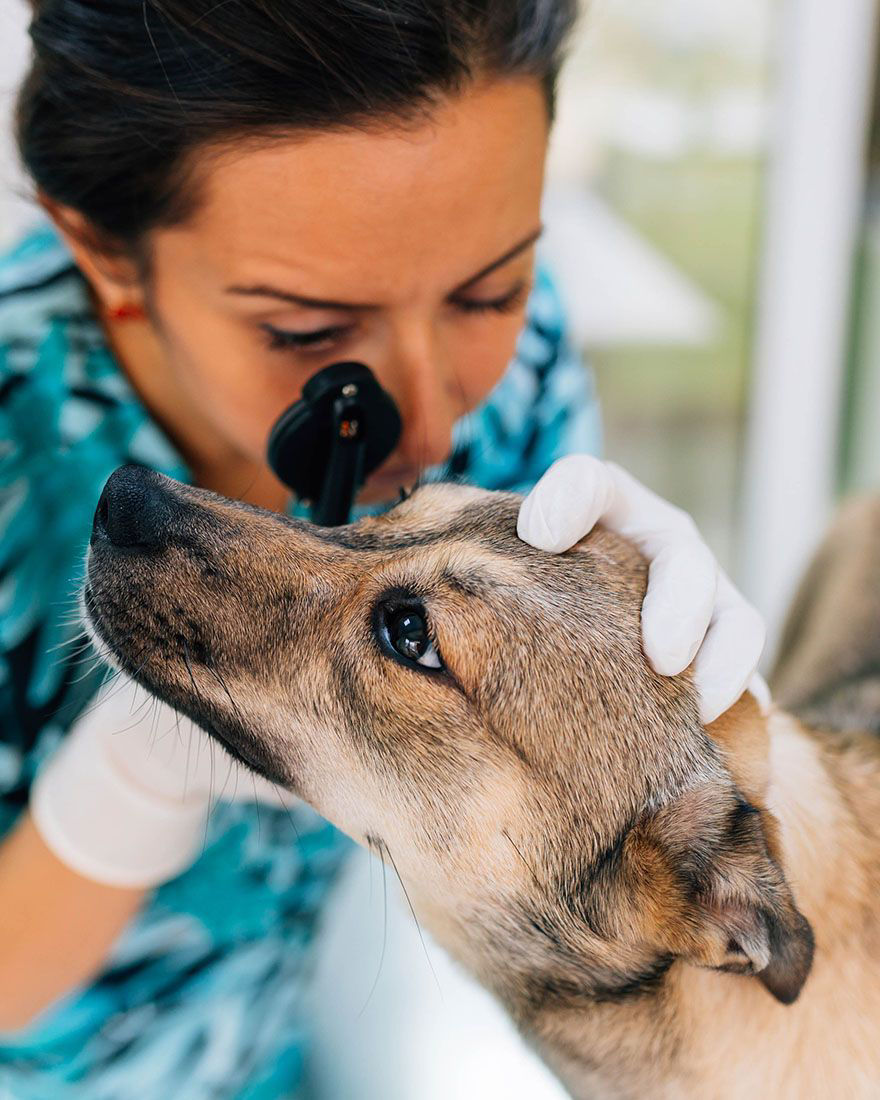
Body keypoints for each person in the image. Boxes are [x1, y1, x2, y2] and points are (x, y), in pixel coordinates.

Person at [0, 1, 765, 1097]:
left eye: (488, 287)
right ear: (104, 253)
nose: (434, 414)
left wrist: (687, 711)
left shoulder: (527, 360)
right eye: (308, 331)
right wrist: (122, 783)